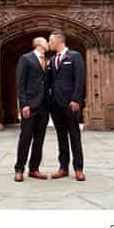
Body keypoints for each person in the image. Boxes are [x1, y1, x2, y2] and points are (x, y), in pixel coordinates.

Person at [46, 31, 85, 181]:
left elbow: (79, 79)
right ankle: (63, 167)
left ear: (58, 41)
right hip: (56, 105)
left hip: (71, 104)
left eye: (50, 40)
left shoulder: (74, 56)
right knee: (61, 137)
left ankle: (79, 169)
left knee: (74, 136)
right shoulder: (53, 59)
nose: (49, 43)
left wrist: (76, 100)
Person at [14, 36, 50, 182]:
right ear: (39, 44)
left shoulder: (47, 61)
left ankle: (34, 169)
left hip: (44, 106)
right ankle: (19, 169)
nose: (48, 43)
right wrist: (24, 104)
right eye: (46, 41)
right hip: (30, 105)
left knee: (39, 139)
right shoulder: (26, 58)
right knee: (26, 137)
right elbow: (20, 83)